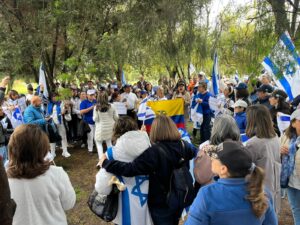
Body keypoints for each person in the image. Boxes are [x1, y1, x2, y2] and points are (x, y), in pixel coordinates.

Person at [100, 114, 196, 225]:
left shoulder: (154, 152)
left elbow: (130, 169)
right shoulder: (184, 145)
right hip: (181, 195)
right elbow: (198, 153)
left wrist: (106, 163)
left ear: (155, 130)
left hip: (162, 203)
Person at [185, 141, 278, 225]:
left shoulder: (207, 194)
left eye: (215, 157)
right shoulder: (262, 192)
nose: (211, 158)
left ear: (223, 169)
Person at [7, 124, 76, 225]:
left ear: (12, 148)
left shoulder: (5, 181)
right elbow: (69, 203)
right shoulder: (56, 174)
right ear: (43, 148)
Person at [95, 116, 152, 225]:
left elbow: (102, 187)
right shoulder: (149, 145)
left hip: (125, 208)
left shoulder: (112, 154)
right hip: (150, 203)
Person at [245, 105, 281, 213]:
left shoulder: (254, 143)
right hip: (273, 190)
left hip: (260, 193)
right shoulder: (274, 137)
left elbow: (246, 170)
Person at [193, 114, 240, 188]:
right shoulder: (242, 149)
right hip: (236, 192)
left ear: (215, 129)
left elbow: (200, 177)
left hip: (212, 193)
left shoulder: (207, 149)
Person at [280, 109, 300, 225]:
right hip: (290, 179)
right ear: (293, 123)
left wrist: (292, 151)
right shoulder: (286, 136)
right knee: (295, 208)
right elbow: (278, 150)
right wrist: (281, 150)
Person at [93, 93, 119, 162]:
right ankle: (111, 158)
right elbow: (116, 117)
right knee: (109, 142)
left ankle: (101, 160)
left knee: (99, 143)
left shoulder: (96, 107)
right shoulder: (112, 106)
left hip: (100, 128)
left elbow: (95, 119)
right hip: (110, 127)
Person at [47, 93, 71, 158]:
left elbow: (65, 112)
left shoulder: (61, 103)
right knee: (52, 138)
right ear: (51, 98)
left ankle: (65, 151)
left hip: (60, 122)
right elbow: (48, 114)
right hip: (52, 123)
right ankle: (52, 152)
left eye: (56, 96)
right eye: (53, 96)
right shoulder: (49, 104)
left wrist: (65, 109)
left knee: (63, 137)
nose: (54, 98)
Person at [80, 89, 96, 153]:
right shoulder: (84, 102)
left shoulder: (95, 101)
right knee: (90, 137)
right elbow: (81, 112)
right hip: (88, 122)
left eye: (93, 94)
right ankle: (90, 150)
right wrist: (91, 108)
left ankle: (98, 148)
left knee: (96, 136)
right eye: (91, 95)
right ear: (87, 95)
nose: (92, 96)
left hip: (96, 121)